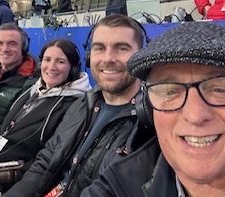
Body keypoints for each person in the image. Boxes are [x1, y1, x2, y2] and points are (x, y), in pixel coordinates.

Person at [3, 14, 155, 197]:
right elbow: (45, 162)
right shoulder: (82, 105)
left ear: (141, 56)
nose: (108, 58)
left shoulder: (151, 121)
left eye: (121, 48)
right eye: (99, 48)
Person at [80, 21, 225, 197]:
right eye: (170, 91)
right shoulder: (117, 185)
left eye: (219, 90)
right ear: (147, 108)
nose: (195, 115)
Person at [0, 38, 91, 197]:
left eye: (60, 61)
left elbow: (48, 160)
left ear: (73, 68)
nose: (51, 67)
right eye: (47, 60)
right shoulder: (34, 90)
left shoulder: (74, 106)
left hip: (8, 182)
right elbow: (7, 128)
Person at [0, 22, 38, 140]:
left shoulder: (31, 81)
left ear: (23, 48)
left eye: (12, 44)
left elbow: (14, 128)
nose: (4, 49)